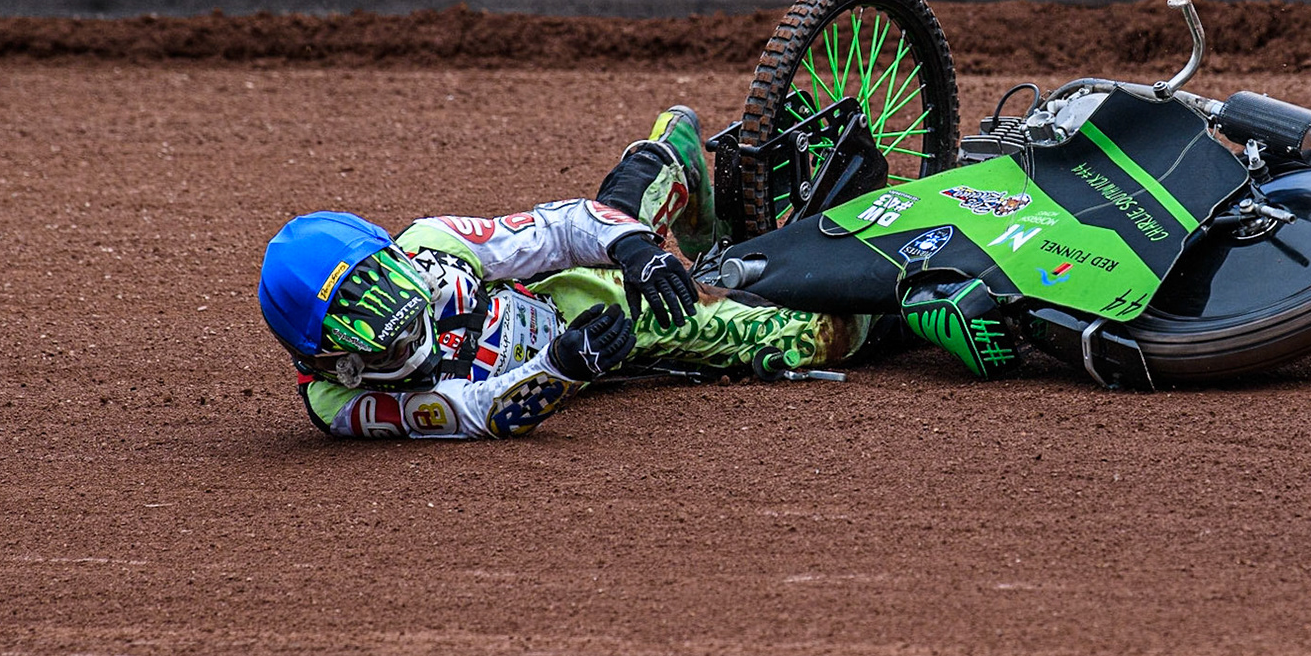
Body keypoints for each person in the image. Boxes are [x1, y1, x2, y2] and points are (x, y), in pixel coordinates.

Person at [257, 107, 872, 442]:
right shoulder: (337, 403)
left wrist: (638, 253)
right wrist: (562, 367)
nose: (406, 329)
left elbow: (557, 229)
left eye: (392, 290)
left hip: (568, 294)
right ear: (331, 358)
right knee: (825, 337)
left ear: (391, 256)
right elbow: (470, 413)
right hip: (590, 344)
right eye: (381, 335)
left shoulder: (430, 244)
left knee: (621, 236)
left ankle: (666, 163)